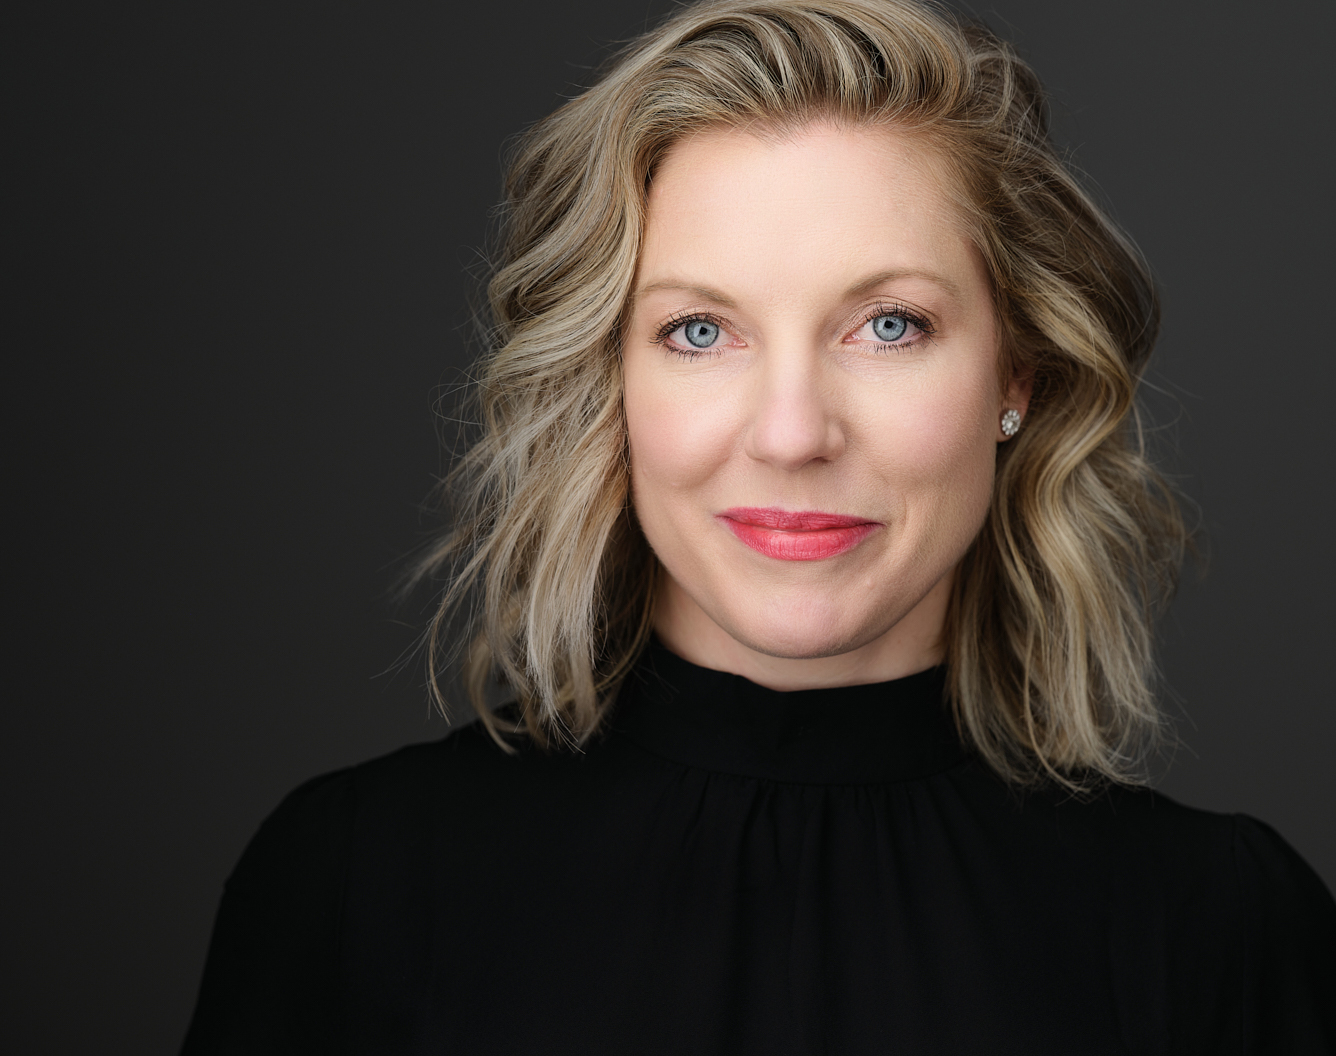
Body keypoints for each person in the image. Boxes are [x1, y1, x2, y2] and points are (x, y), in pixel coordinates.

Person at [180, 0, 1336, 1051]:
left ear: (1015, 376)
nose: (791, 434)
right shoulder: (353, 889)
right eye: (699, 331)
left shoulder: (1220, 930)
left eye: (888, 325)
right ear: (609, 381)